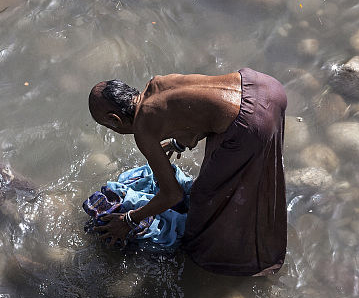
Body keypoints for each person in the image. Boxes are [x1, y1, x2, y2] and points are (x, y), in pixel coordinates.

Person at [87, 69, 287, 276]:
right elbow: (201, 109)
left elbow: (173, 195)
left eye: (108, 126)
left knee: (206, 198)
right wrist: (178, 143)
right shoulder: (157, 83)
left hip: (253, 121)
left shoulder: (143, 129)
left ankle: (244, 261)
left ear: (115, 120)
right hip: (263, 86)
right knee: (229, 167)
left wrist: (128, 220)